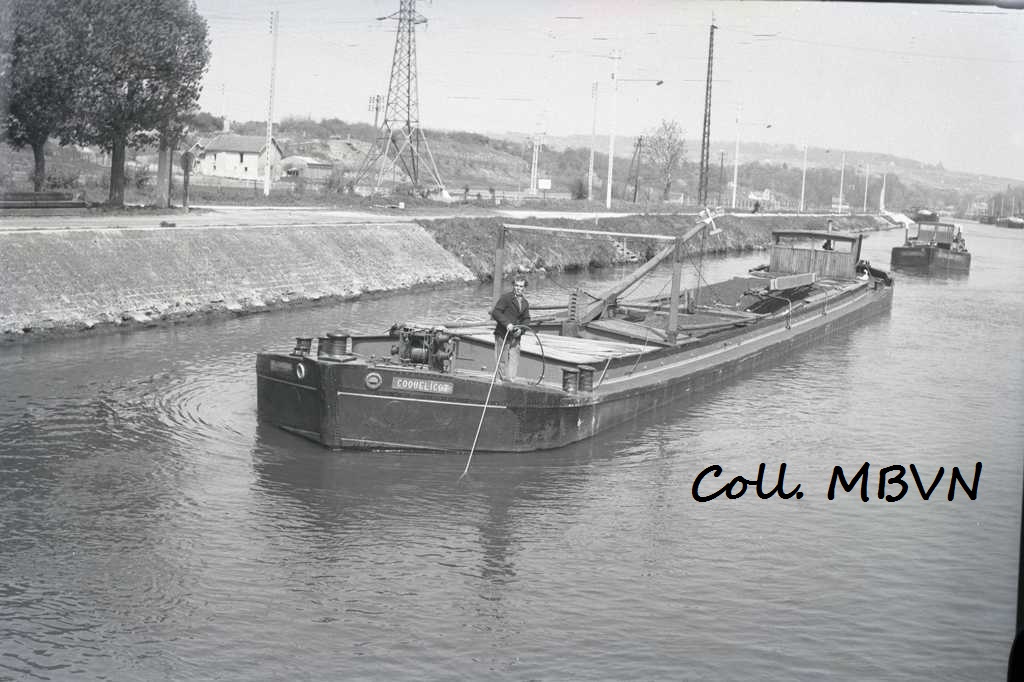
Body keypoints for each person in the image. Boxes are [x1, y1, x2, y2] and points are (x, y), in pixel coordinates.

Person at [490, 276, 531, 381]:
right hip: (503, 334)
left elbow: (526, 319)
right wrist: (507, 324)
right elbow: (496, 312)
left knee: (514, 360)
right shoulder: (506, 298)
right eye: (516, 285)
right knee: (502, 359)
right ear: (513, 286)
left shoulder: (525, 303)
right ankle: (499, 380)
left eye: (521, 286)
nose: (518, 288)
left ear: (524, 288)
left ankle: (511, 380)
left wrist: (521, 330)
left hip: (516, 337)